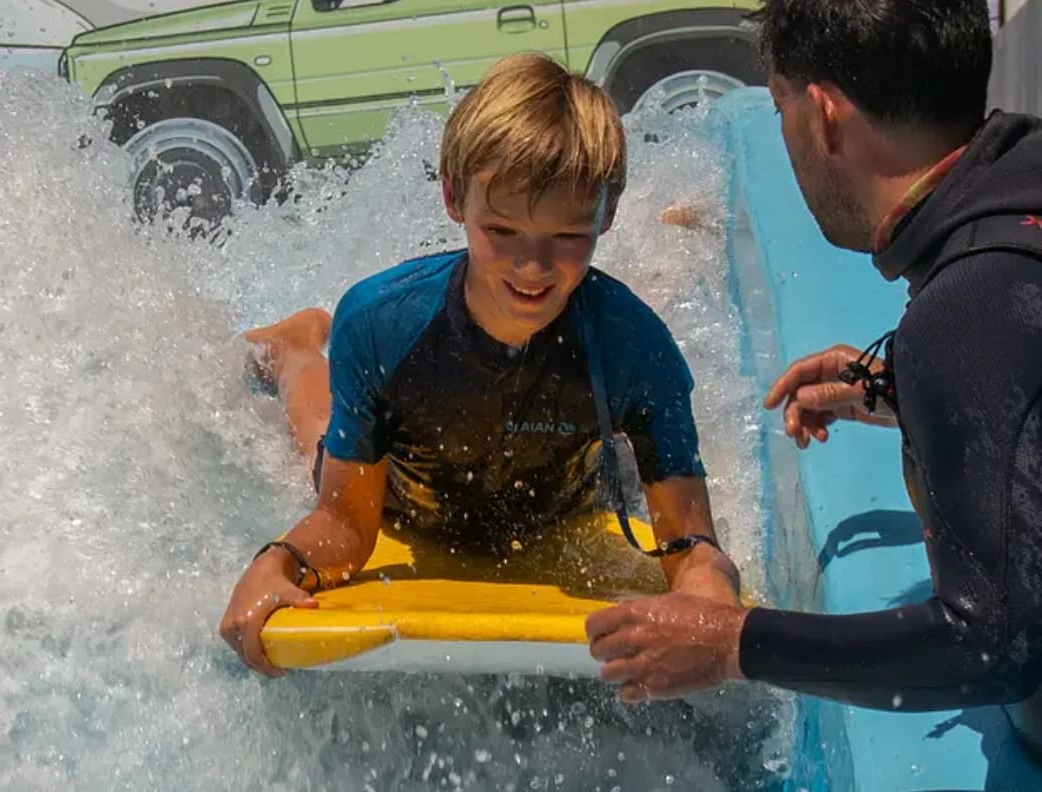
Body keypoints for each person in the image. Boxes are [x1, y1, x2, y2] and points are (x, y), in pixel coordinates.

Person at [584, 0, 1042, 754]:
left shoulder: (968, 314)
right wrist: (903, 391)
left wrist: (736, 644)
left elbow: (995, 642)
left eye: (779, 109)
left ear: (823, 116)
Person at [218, 52, 743, 676]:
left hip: (562, 498)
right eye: (502, 232)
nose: (532, 268)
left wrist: (709, 597)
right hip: (406, 498)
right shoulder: (383, 322)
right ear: (451, 195)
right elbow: (344, 525)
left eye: (568, 238)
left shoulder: (639, 346)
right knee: (317, 439)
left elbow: (690, 544)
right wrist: (277, 563)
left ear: (607, 215)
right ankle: (296, 345)